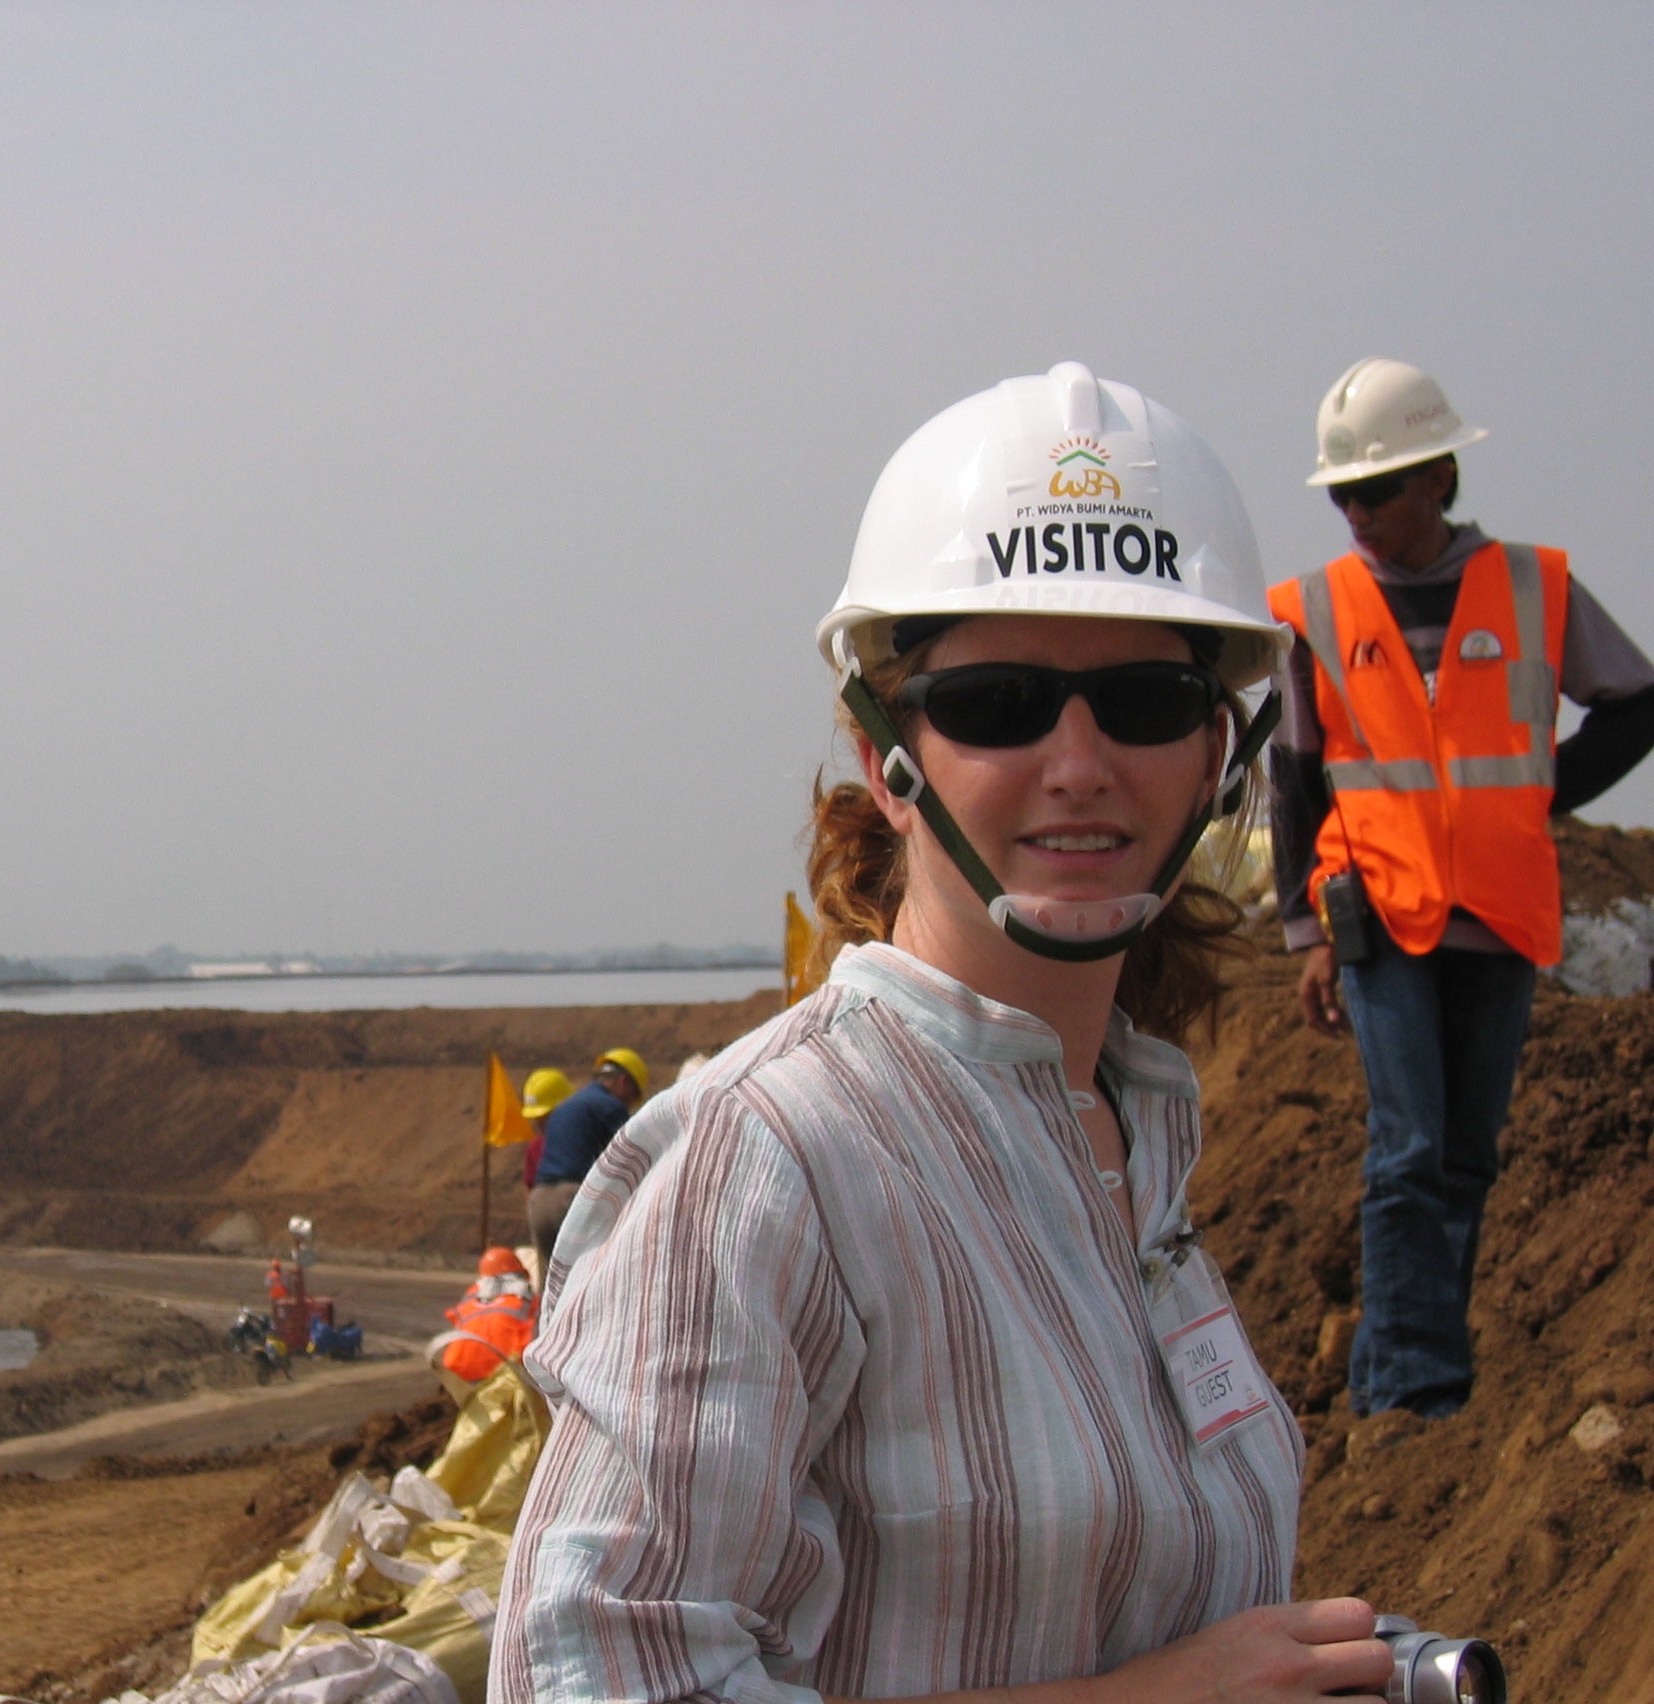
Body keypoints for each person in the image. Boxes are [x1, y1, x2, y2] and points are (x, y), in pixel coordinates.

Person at [491, 364, 1394, 1704]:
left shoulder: (1131, 1138)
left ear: (1221, 751)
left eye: (1145, 700)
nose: (1080, 762)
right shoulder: (774, 1160)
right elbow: (592, 1676)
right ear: (887, 754)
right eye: (999, 703)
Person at [1269, 358, 1654, 1420]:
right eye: (1341, 492)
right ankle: (1413, 1392)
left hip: (1497, 903)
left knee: (1468, 1157)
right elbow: (1294, 778)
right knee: (1406, 1148)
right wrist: (1304, 930)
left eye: (1375, 489)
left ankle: (1398, 1367)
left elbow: (1634, 702)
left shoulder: (1534, 588)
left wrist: (1542, 792)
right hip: (1379, 907)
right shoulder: (1313, 608)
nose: (1356, 512)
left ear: (1437, 478)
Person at [525, 1048, 648, 1265]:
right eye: (633, 1096)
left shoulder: (566, 1107)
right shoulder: (610, 1107)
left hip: (540, 1203)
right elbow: (632, 1161)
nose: (630, 1104)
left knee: (552, 1287)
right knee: (590, 1275)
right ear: (624, 1082)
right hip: (572, 1200)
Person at [435, 1246, 540, 1385]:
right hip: (509, 1372)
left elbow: (455, 1318)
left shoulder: (470, 1295)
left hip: (457, 1371)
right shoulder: (528, 1298)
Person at [518, 1068, 575, 1193]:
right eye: (537, 1117)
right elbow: (532, 1195)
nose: (539, 1123)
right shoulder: (536, 1148)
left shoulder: (591, 1140)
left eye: (545, 1116)